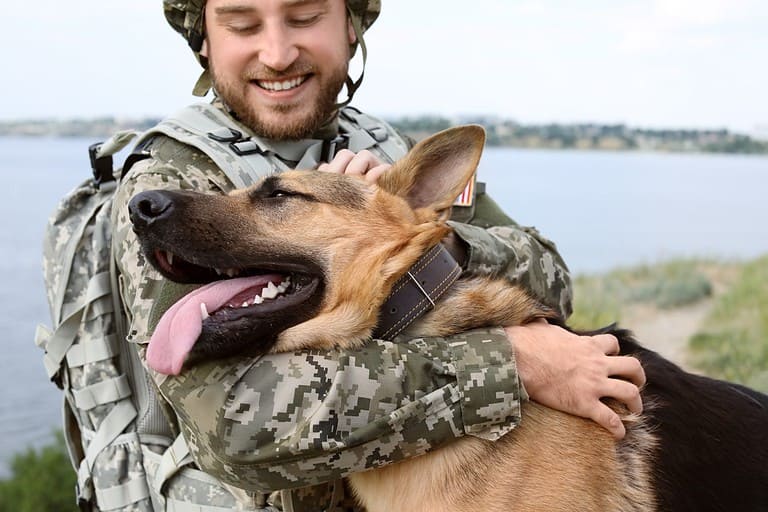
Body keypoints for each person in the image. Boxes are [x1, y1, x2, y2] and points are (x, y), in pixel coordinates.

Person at [109, 0, 645, 509]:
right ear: (204, 41)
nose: (276, 54)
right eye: (243, 25)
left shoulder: (389, 151)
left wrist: (405, 233)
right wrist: (511, 362)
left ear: (350, 25)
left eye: (305, 17)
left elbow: (552, 278)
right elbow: (234, 426)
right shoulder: (172, 183)